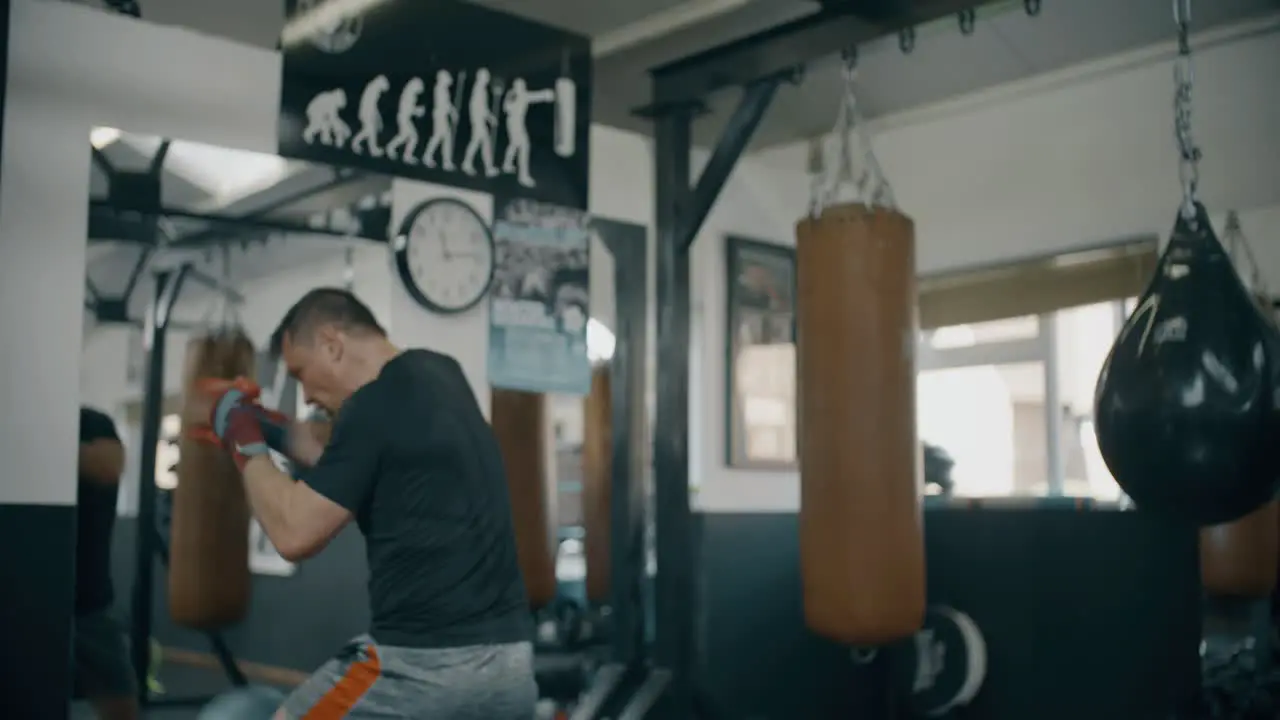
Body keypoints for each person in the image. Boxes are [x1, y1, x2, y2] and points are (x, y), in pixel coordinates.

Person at [202, 288, 536, 719]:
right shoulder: (438, 375)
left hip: (422, 670)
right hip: (510, 670)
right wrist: (263, 425)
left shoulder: (373, 403)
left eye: (300, 373)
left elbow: (292, 531)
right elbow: (340, 455)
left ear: (332, 345)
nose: (303, 396)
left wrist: (242, 439)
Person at [75, 407, 137, 720]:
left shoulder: (91, 422)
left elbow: (109, 467)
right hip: (28, 600)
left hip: (89, 602)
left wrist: (42, 446)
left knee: (120, 707)